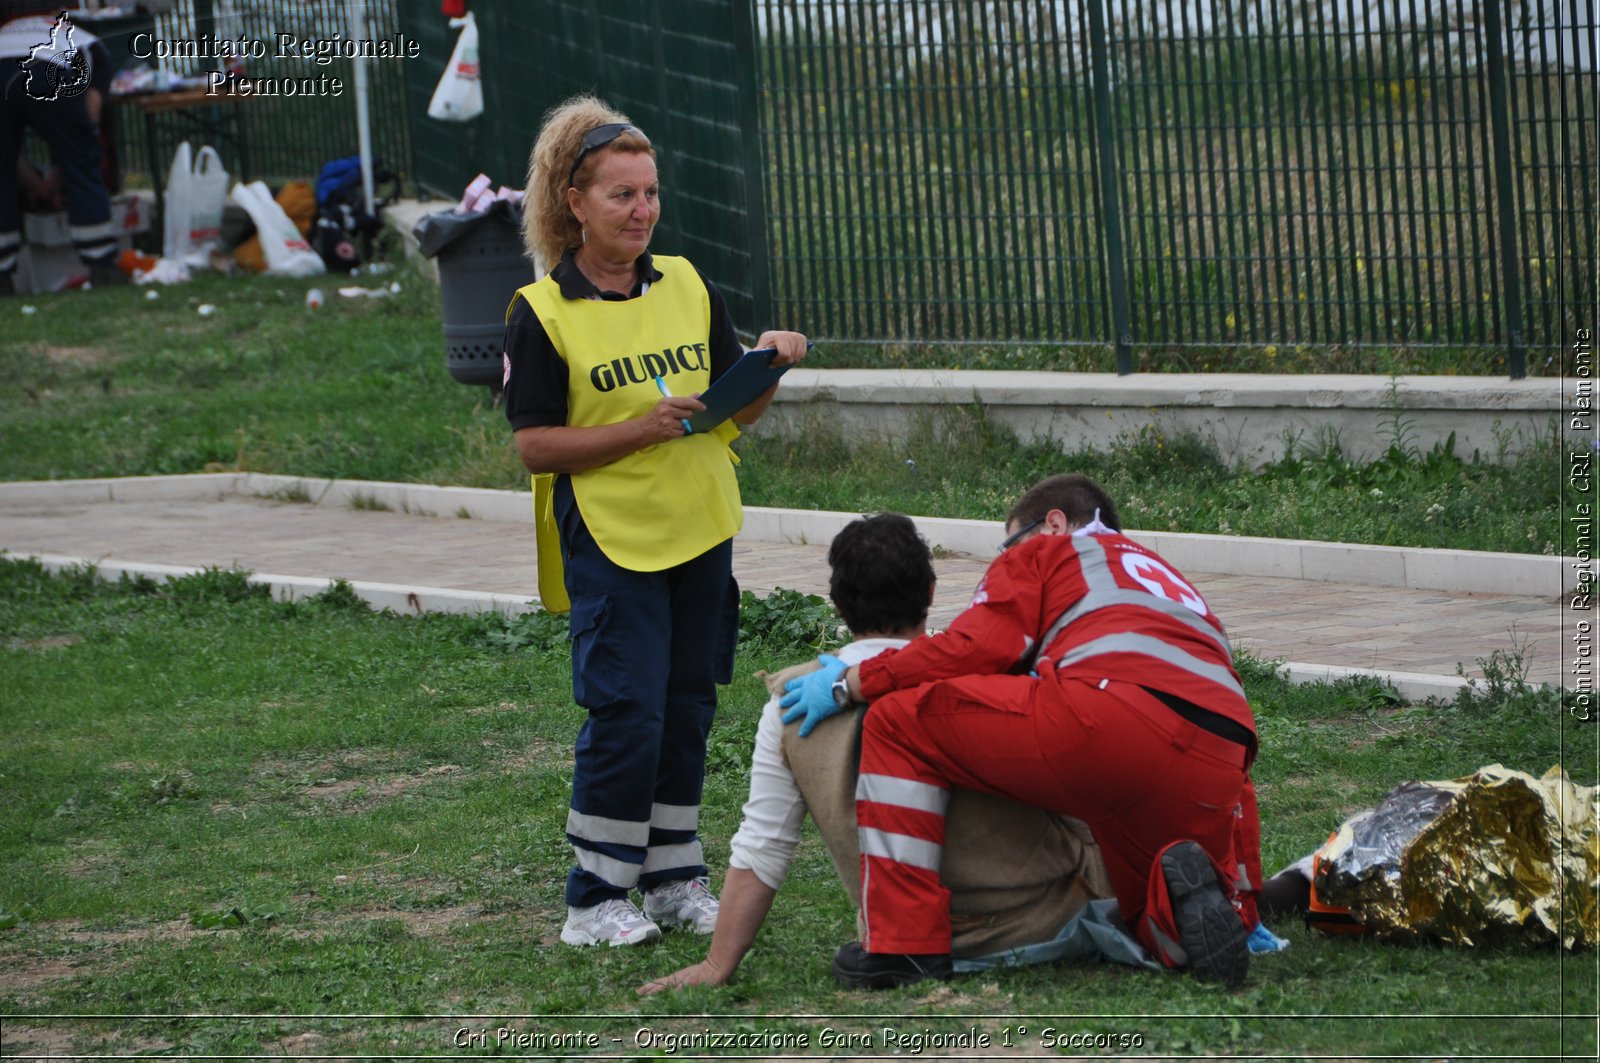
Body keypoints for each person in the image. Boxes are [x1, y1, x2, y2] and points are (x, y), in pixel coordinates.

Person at [502, 94, 808, 948]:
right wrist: (637, 429)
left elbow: (725, 415)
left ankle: (673, 876)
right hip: (613, 537)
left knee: (687, 705)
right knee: (626, 709)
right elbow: (534, 446)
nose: (642, 212)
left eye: (650, 194)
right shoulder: (542, 312)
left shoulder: (688, 284)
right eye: (621, 196)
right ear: (575, 203)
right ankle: (593, 895)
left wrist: (766, 369)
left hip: (702, 526)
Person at [782, 474, 1262, 988]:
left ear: (1053, 523)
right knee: (1142, 911)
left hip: (1107, 719)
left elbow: (978, 648)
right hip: (1221, 751)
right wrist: (1249, 886)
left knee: (897, 721)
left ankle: (904, 946)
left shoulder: (1047, 553)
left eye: (1009, 541)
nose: (1005, 554)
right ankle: (1206, 929)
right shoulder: (1172, 582)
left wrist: (851, 684)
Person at [639, 513, 1115, 994]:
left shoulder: (789, 704)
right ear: (931, 592)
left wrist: (717, 963)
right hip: (1045, 920)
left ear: (838, 607)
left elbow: (762, 846)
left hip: (901, 941)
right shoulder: (986, 675)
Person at [1, 5, 118, 295]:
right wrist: (60, 172)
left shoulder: (6, 33)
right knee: (83, 165)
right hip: (48, 70)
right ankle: (101, 264)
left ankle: (2, 277)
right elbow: (87, 125)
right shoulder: (88, 42)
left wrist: (36, 184)